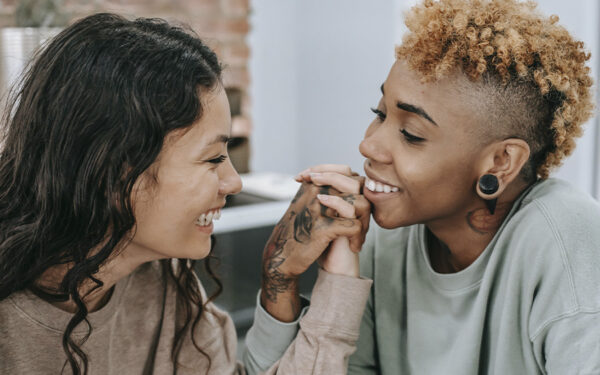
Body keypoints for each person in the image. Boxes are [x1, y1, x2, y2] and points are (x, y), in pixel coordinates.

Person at [0, 13, 373, 374]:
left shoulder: (166, 283)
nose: (234, 183)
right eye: (212, 158)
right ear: (112, 173)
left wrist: (290, 275)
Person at [247, 0, 600, 373]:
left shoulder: (568, 239)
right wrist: (280, 277)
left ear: (501, 162)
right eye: (379, 114)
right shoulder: (383, 239)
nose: (368, 146)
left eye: (412, 134)